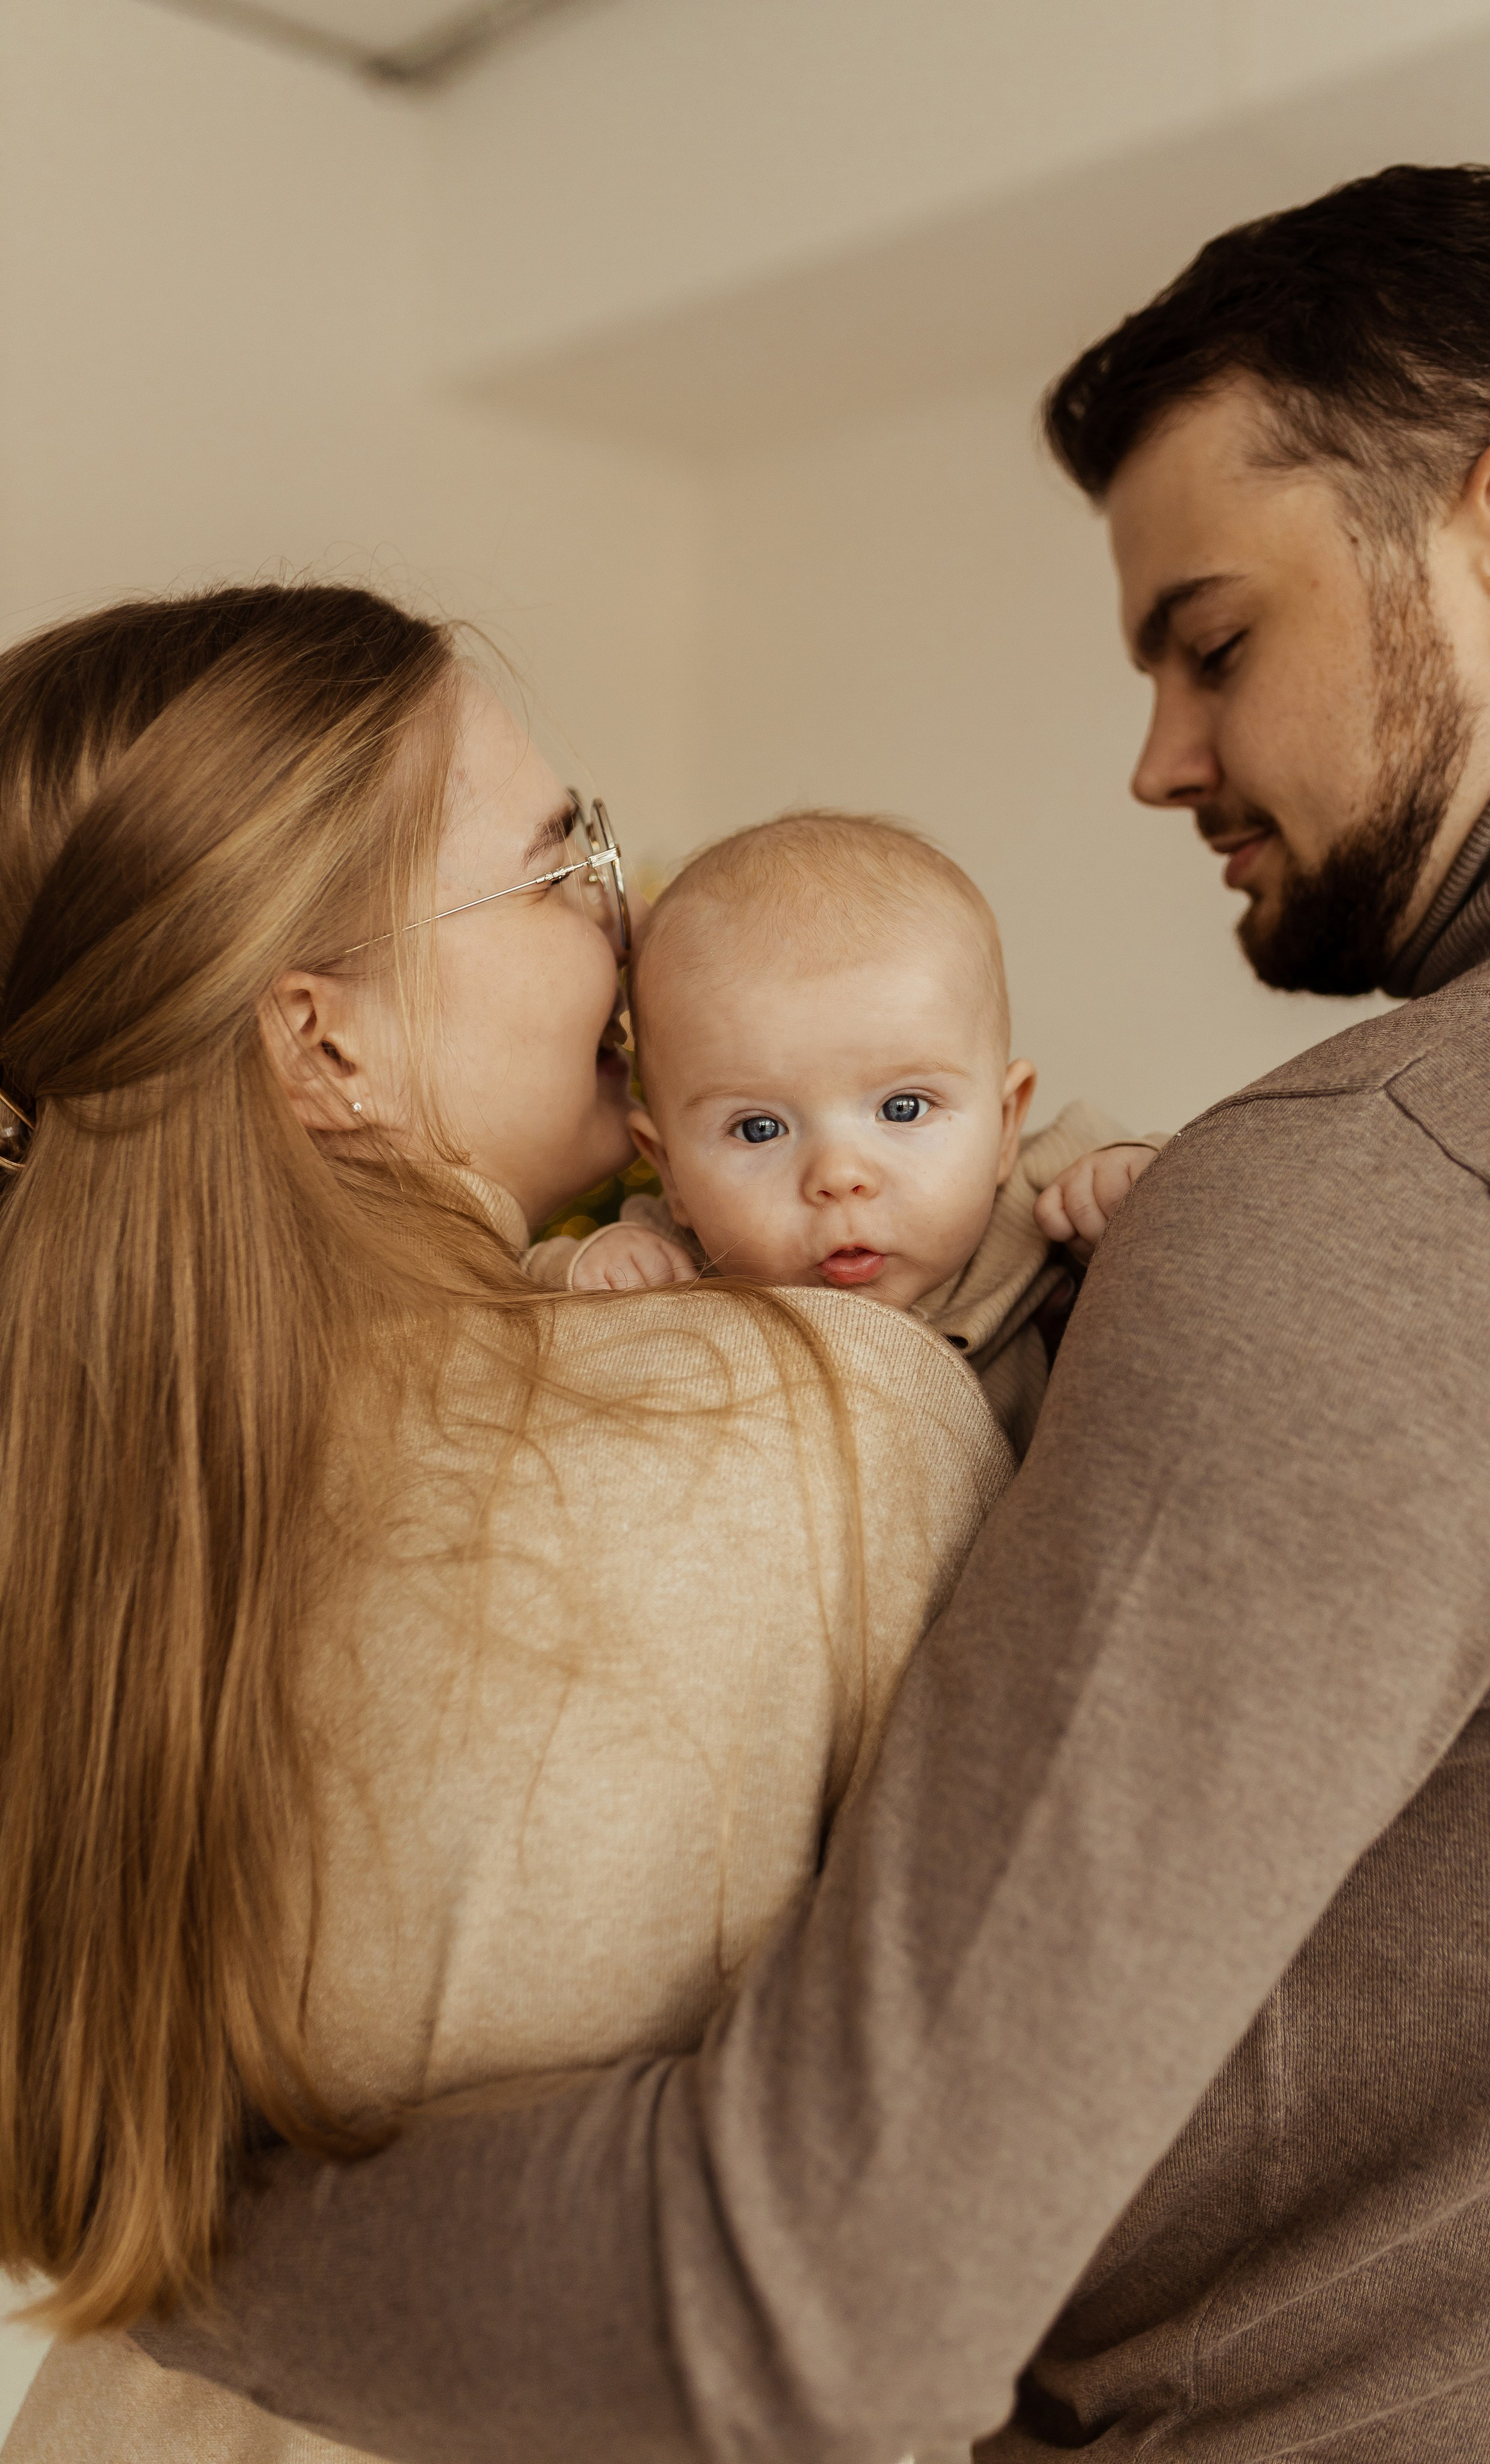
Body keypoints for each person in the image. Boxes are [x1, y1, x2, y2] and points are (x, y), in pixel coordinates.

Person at [129, 162, 1490, 2460]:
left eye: (1209, 641)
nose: (1151, 757)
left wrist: (135, 2207)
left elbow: (799, 2316)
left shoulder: (1378, 1199)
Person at [0, 585, 1012, 2462]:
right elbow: (991, 2193)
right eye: (564, 864)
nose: (638, 917)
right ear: (324, 1051)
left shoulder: (68, 1507)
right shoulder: (812, 1407)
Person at [531, 809, 1163, 1454]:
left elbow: (1201, 1204)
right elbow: (521, 1315)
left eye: (903, 1110)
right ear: (672, 1176)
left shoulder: (1042, 1195)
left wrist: (1130, 1179)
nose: (839, 1176)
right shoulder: (681, 1262)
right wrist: (583, 1268)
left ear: (1005, 1127)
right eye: (758, 1128)